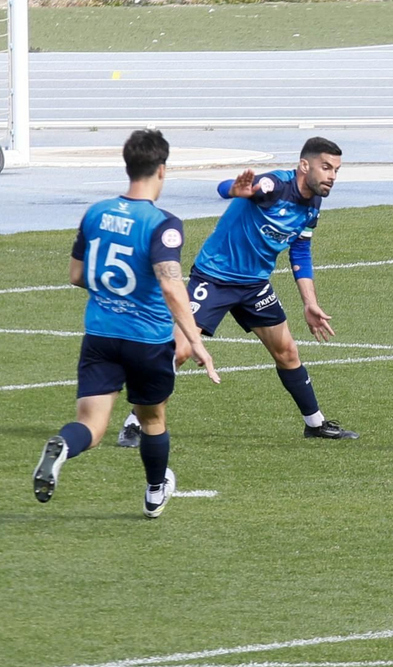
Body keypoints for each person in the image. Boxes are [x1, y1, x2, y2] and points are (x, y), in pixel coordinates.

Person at [117, 136, 356, 445]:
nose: (332, 177)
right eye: (326, 168)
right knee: (180, 350)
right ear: (304, 164)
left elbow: (300, 251)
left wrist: (309, 303)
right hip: (213, 279)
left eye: (336, 170)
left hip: (255, 285)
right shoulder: (273, 187)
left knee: (287, 352)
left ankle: (315, 423)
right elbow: (225, 187)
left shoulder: (313, 204)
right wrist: (234, 190)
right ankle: (135, 422)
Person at [33, 130, 220, 517]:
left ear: (127, 165)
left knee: (92, 424)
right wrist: (195, 341)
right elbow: (170, 285)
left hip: (100, 335)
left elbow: (75, 274)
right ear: (162, 170)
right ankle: (154, 493)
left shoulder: (95, 212)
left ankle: (64, 447)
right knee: (152, 418)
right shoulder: (162, 223)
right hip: (147, 340)